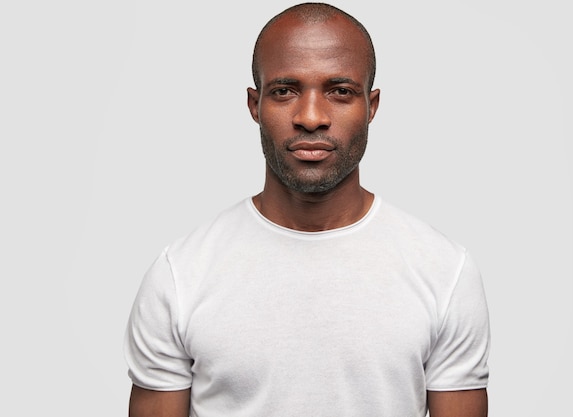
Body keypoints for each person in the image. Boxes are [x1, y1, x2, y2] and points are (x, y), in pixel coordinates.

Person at [123, 3, 490, 417]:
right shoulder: (179, 274)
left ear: (371, 107)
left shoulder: (445, 271)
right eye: (284, 91)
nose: (311, 117)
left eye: (340, 91)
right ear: (254, 105)